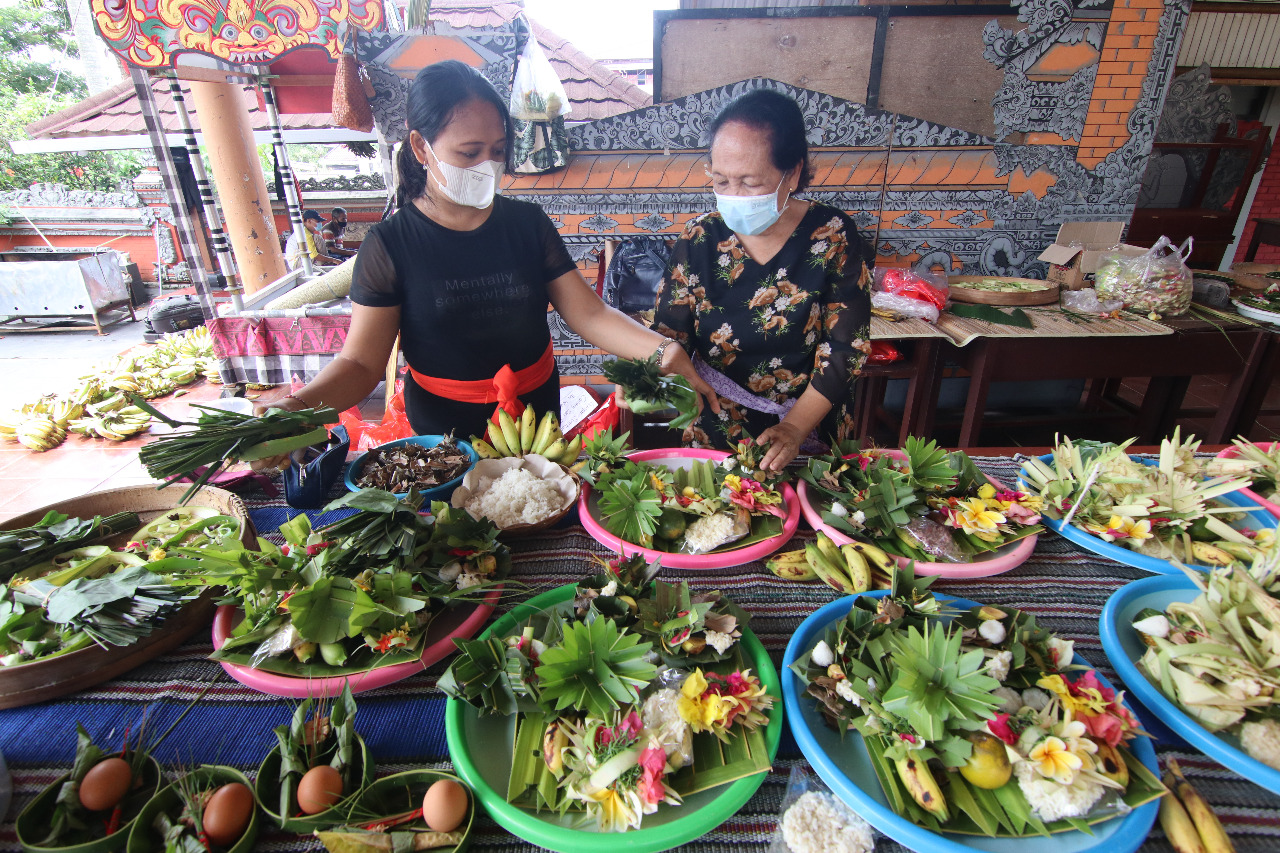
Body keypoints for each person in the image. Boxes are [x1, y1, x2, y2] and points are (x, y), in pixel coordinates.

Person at [260, 60, 715, 444]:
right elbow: (361, 363)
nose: (487, 167)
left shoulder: (525, 224)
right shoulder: (391, 245)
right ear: (421, 146)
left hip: (536, 413)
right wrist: (298, 408)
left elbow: (590, 315)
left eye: (497, 151)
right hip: (443, 426)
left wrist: (663, 353)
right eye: (469, 152)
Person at [652, 88, 872, 472]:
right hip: (716, 424)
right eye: (720, 180)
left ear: (794, 172)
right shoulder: (699, 239)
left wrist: (795, 427)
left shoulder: (833, 234)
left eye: (750, 183)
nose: (733, 196)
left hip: (809, 419)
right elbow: (670, 337)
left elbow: (845, 347)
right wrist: (645, 371)